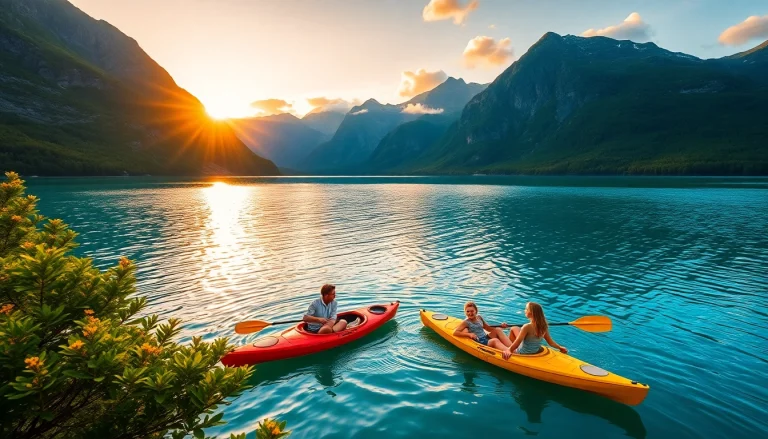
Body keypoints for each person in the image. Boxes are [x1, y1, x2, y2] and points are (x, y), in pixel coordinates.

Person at [502, 302, 568, 360]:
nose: (524, 310)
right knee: (514, 328)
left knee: (496, 338)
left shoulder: (527, 326)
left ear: (531, 313)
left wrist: (509, 350)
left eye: (526, 309)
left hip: (523, 353)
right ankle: (510, 345)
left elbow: (518, 342)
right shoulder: (544, 326)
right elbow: (550, 342)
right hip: (535, 351)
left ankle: (509, 348)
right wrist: (560, 347)